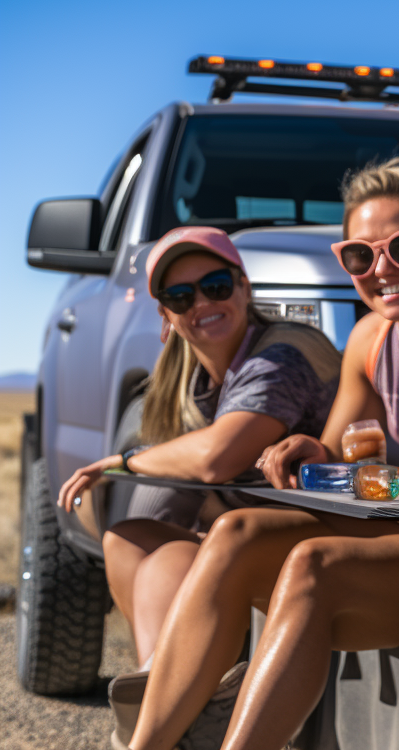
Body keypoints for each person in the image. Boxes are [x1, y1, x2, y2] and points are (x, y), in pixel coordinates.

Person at [125, 156, 399, 750]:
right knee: (235, 532)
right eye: (360, 255)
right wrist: (308, 446)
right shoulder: (372, 336)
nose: (382, 269)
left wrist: (381, 479)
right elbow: (340, 452)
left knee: (312, 566)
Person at [57, 226, 340, 668]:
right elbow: (189, 465)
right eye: (181, 297)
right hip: (260, 528)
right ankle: (164, 691)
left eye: (215, 286)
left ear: (244, 287)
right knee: (128, 541)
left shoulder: (281, 354)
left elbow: (214, 458)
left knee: (174, 554)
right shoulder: (187, 382)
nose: (202, 304)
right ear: (166, 314)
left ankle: (171, 705)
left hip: (335, 532)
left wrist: (125, 462)